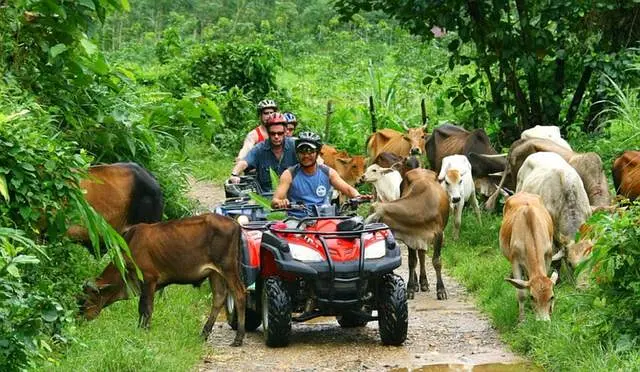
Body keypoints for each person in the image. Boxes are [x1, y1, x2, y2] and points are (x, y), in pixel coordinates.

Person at [271, 131, 361, 215]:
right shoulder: (289, 174)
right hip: (297, 221)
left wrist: (359, 197)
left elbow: (348, 189)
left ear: (317, 153)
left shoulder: (328, 172)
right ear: (297, 153)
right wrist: (280, 202)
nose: (306, 155)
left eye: (310, 151)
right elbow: (275, 200)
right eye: (302, 151)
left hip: (323, 220)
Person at [229, 113, 297, 193]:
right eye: (272, 133)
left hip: (292, 196)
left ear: (285, 131)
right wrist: (234, 174)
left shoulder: (294, 146)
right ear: (268, 132)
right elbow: (245, 162)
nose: (276, 136)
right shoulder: (260, 148)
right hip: (266, 197)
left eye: (280, 133)